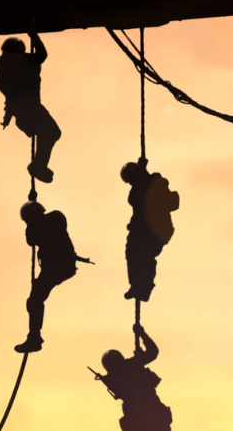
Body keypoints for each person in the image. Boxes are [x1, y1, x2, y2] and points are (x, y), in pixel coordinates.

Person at [15, 201, 92, 353]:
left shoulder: (51, 220)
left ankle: (34, 339)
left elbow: (33, 238)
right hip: (58, 267)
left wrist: (31, 223)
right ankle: (34, 337)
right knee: (35, 299)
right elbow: (33, 240)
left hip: (57, 266)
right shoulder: (53, 219)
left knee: (35, 300)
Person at [0, 28, 61, 184]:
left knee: (46, 132)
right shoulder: (23, 61)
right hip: (31, 108)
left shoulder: (2, 66)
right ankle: (38, 165)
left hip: (22, 112)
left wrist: (8, 116)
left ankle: (39, 164)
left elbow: (10, 96)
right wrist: (33, 34)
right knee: (52, 132)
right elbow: (41, 55)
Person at [92, 324, 173, 431]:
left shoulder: (114, 378)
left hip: (143, 420)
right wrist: (142, 335)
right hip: (150, 417)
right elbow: (153, 352)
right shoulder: (132, 365)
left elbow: (152, 353)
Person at [121, 158, 179, 302]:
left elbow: (146, 194)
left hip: (157, 231)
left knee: (146, 256)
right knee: (133, 253)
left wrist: (142, 170)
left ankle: (145, 288)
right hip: (145, 231)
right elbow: (136, 198)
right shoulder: (139, 190)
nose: (132, 183)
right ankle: (136, 286)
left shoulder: (156, 183)